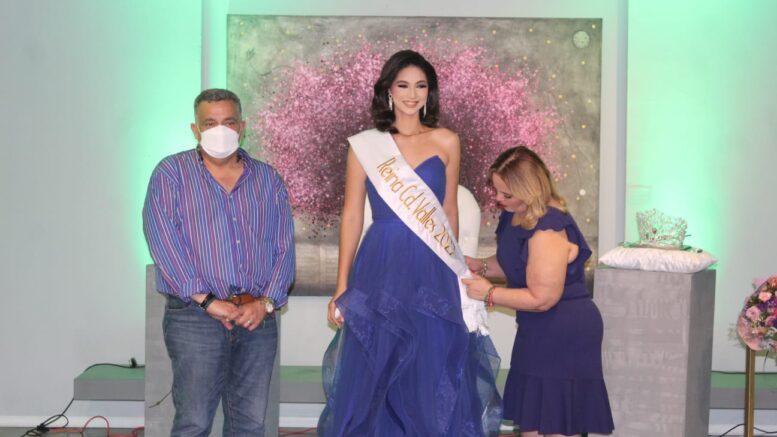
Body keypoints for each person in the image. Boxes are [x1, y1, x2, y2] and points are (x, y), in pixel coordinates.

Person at [317, 50, 501, 436]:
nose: (412, 94)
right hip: (380, 262)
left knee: (434, 363)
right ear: (388, 90)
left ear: (430, 92)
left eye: (420, 86)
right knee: (376, 365)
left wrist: (457, 271)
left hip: (432, 265)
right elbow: (352, 215)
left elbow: (448, 211)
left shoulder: (446, 140)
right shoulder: (366, 145)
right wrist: (341, 285)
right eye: (403, 85)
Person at [143, 88, 295, 437]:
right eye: (210, 123)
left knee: (250, 425)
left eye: (228, 122)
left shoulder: (268, 179)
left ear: (242, 126)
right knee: (194, 422)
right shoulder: (171, 174)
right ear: (195, 130)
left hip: (255, 318)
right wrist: (209, 301)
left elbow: (284, 246)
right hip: (195, 317)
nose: (220, 130)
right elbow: (163, 242)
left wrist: (265, 303)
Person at [462, 147, 614, 437]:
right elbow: (517, 264)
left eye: (506, 194)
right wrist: (481, 266)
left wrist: (489, 293)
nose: (499, 199)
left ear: (530, 190)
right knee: (531, 423)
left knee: (557, 427)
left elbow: (542, 298)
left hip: (564, 331)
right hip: (536, 329)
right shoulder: (515, 213)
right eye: (497, 191)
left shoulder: (548, 229)